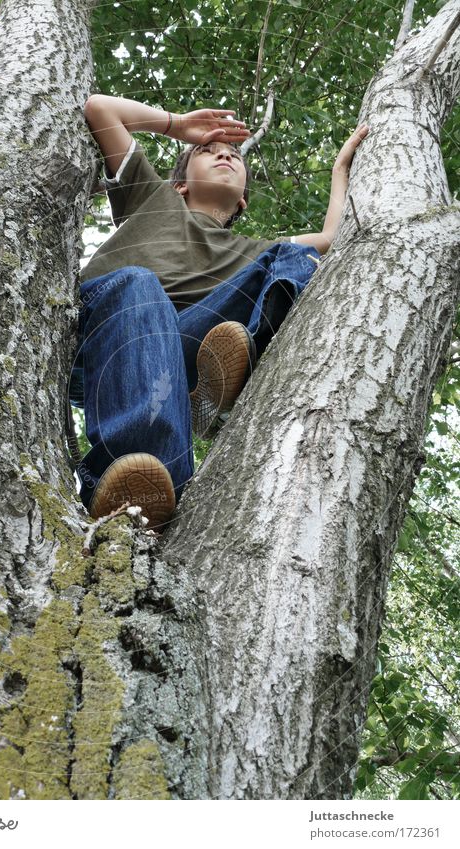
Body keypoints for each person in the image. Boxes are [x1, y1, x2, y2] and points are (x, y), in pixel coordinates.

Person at [69, 94, 369, 529]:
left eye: (232, 154)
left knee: (292, 259)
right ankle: (139, 473)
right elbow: (100, 109)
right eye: (208, 151)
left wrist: (341, 170)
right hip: (105, 340)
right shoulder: (154, 198)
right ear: (181, 184)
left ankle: (215, 381)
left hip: (175, 352)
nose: (224, 154)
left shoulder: (253, 253)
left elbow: (333, 236)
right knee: (139, 283)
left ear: (243, 200)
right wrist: (177, 126)